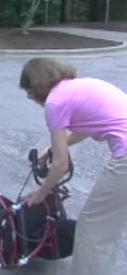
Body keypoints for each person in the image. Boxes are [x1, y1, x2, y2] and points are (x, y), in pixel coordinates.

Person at [19, 58, 127, 275]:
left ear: (38, 85)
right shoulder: (81, 87)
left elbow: (60, 165)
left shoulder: (55, 103)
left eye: (29, 90)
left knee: (91, 228)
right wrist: (56, 146)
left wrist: (41, 193)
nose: (29, 96)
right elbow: (90, 125)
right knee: (106, 227)